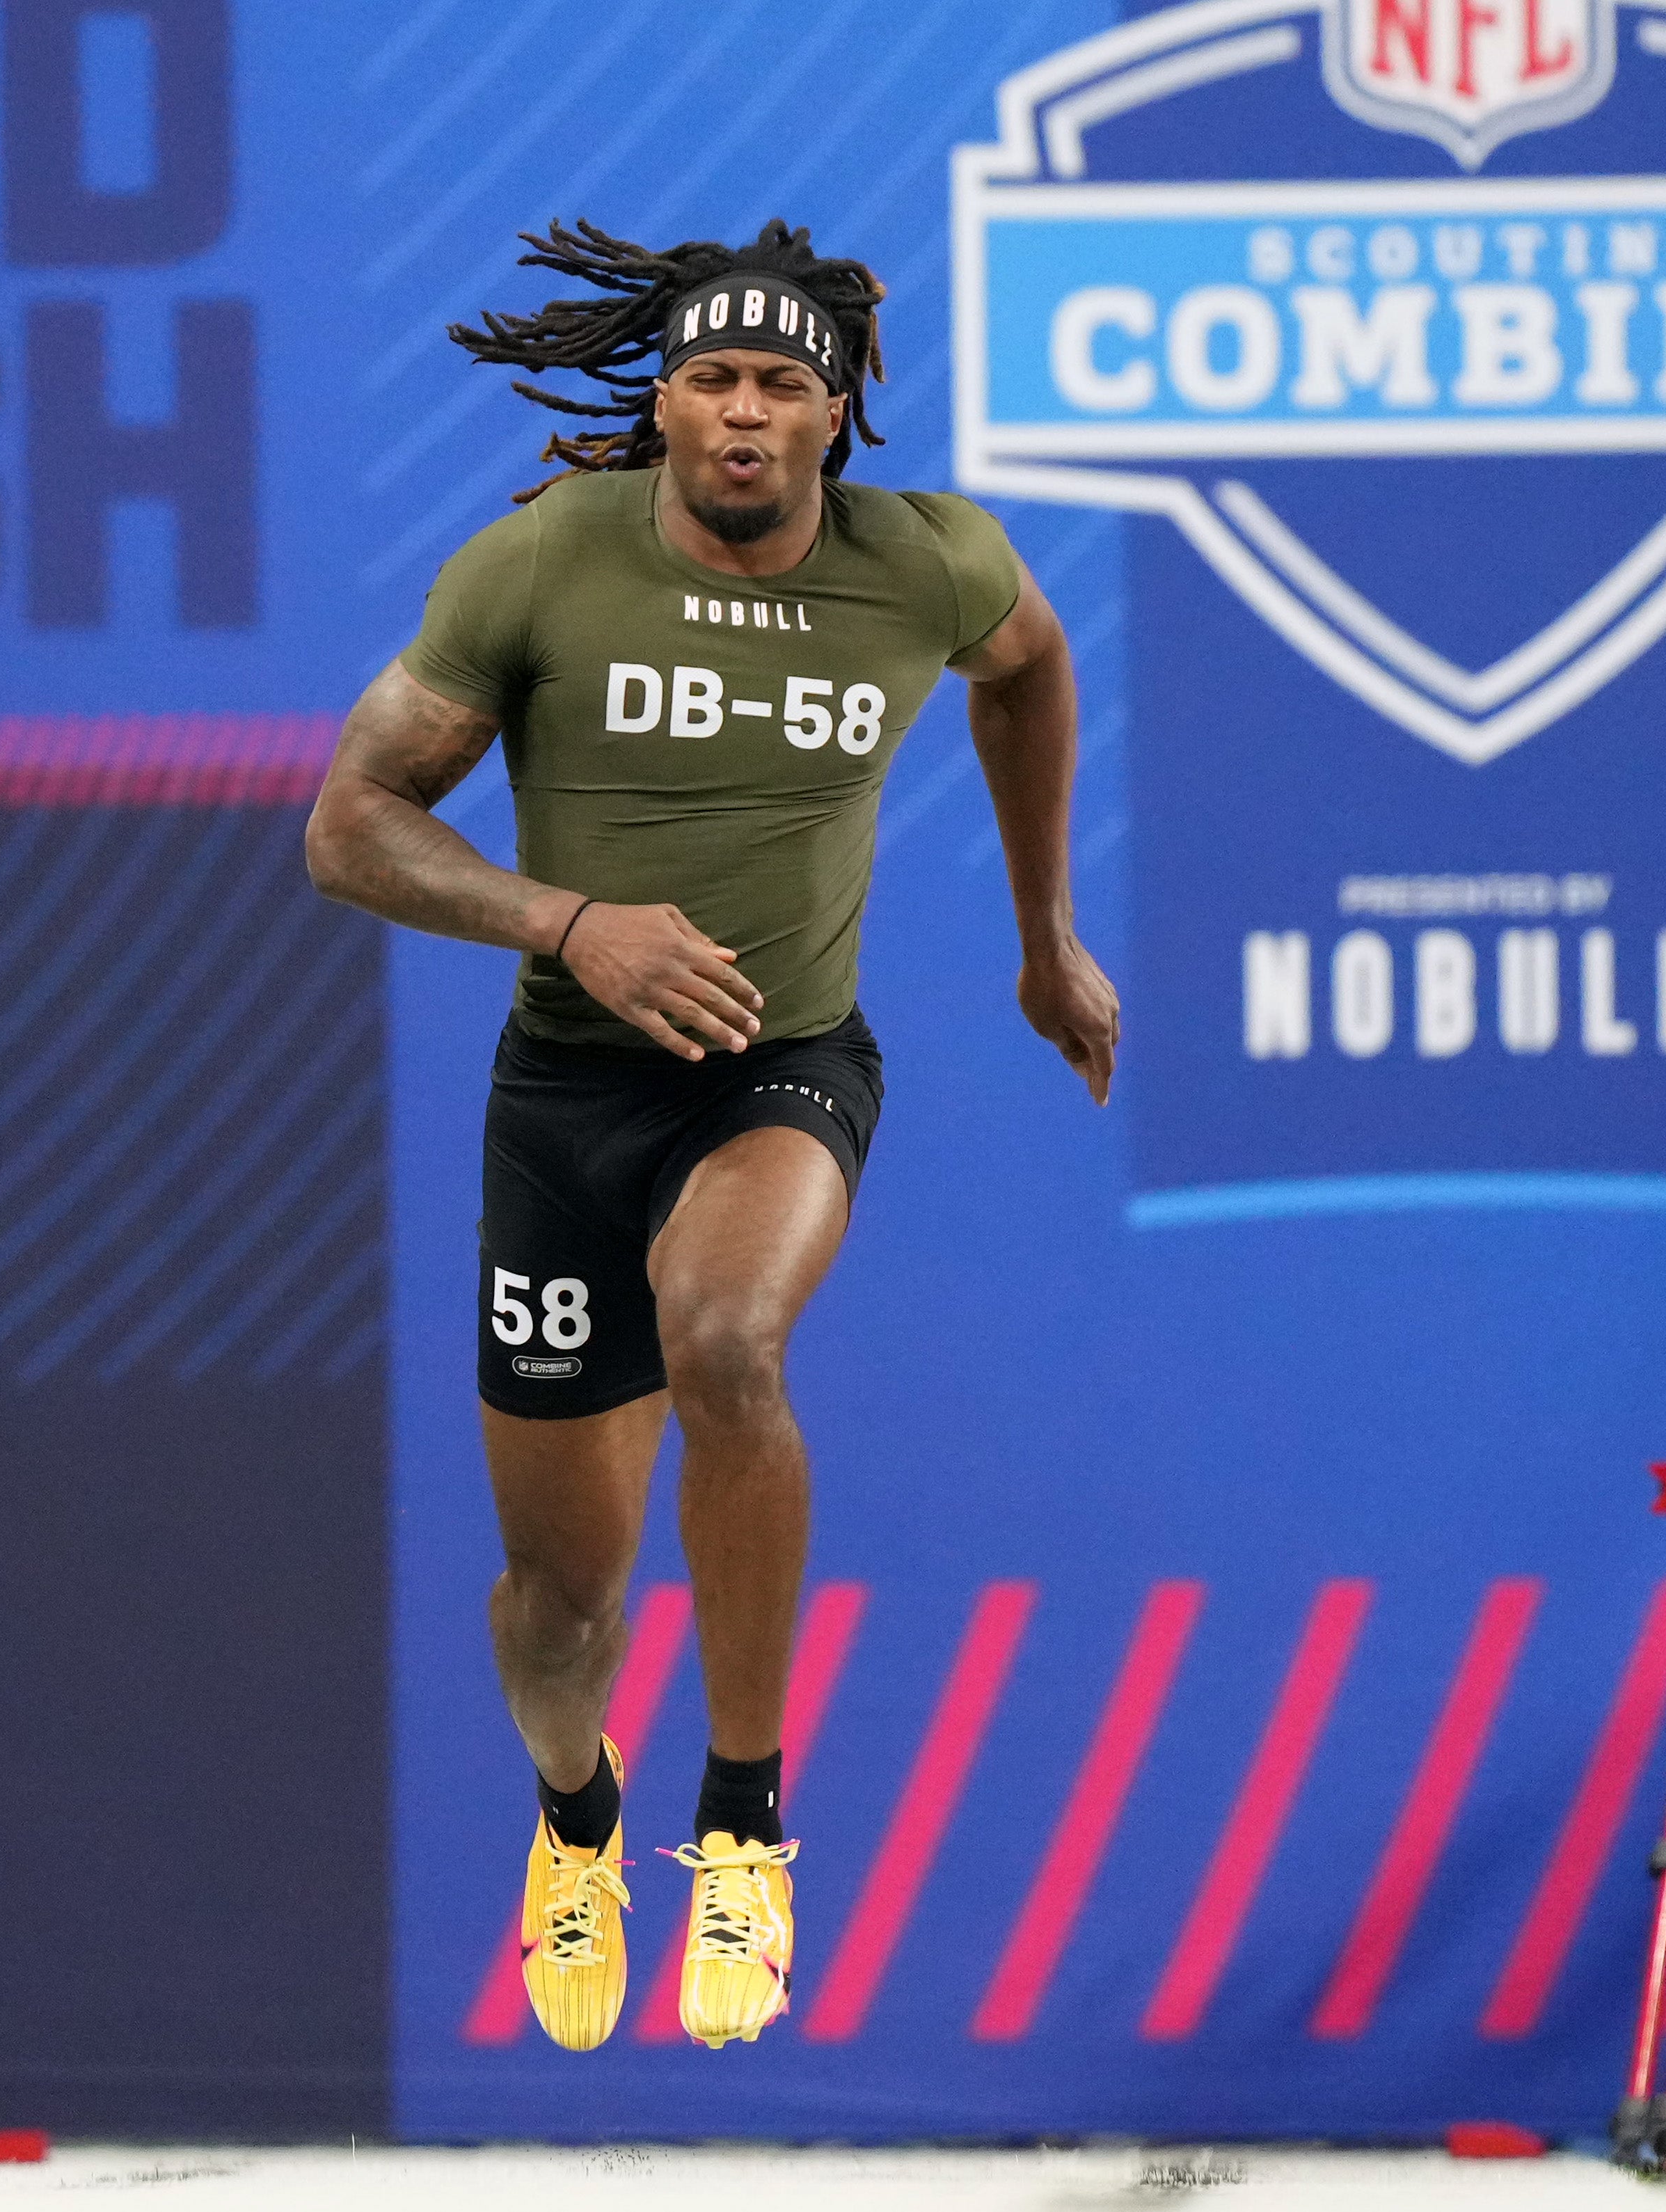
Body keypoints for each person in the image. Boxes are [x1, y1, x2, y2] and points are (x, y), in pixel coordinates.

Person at [303, 219, 1118, 2052]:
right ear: (662, 403)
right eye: (714, 380)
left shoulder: (930, 562)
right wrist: (570, 923)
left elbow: (1029, 668)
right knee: (556, 1613)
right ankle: (576, 1814)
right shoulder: (540, 562)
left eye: (783, 385)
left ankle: (744, 1824)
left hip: (783, 1063)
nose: (747, 413)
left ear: (839, 415)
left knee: (731, 1340)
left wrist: (1045, 932)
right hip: (566, 1099)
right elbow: (349, 826)